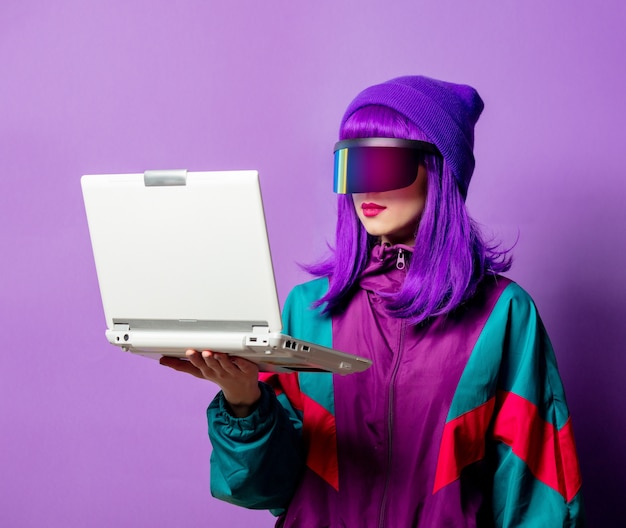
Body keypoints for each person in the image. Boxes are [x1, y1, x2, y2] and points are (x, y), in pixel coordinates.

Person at [161, 75, 585, 527]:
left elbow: (537, 493)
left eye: (384, 164)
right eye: (351, 165)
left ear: (440, 171)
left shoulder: (503, 315)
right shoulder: (308, 309)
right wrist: (243, 398)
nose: (365, 189)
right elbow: (267, 487)